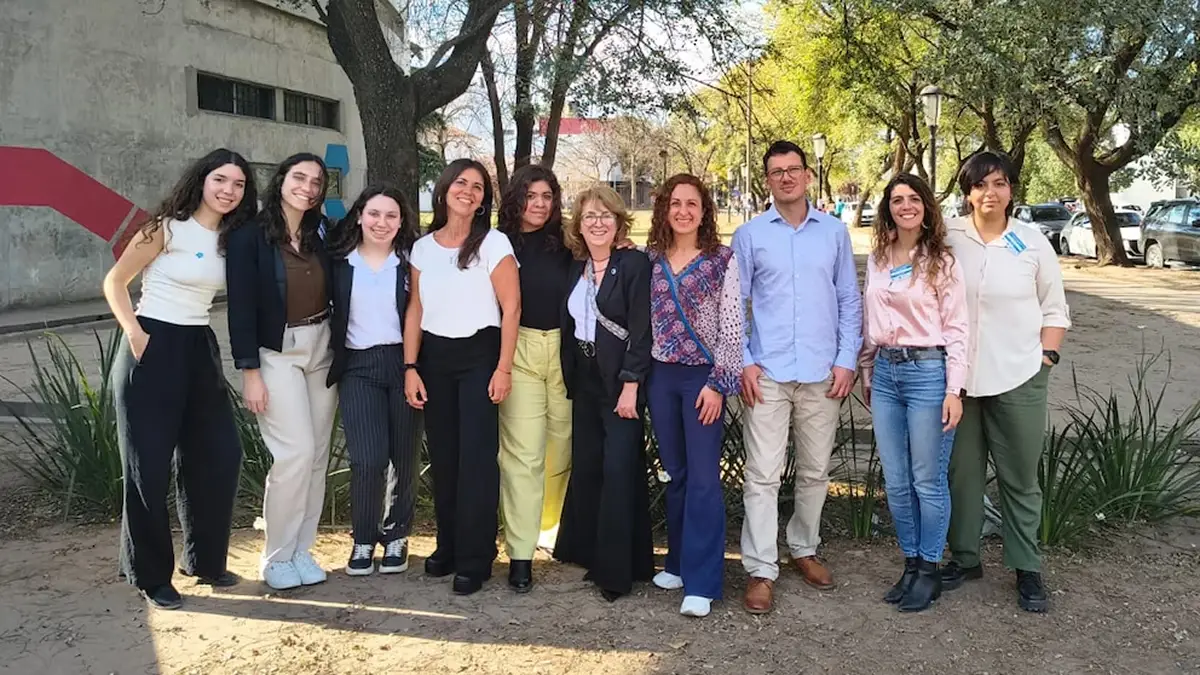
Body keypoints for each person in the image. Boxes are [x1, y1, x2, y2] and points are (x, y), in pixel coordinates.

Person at [103, 149, 257, 609]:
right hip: (152, 345)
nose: (229, 190)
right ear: (202, 180)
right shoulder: (166, 227)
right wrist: (134, 332)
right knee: (146, 467)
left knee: (219, 455)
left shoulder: (233, 238)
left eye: (239, 184)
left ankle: (205, 561)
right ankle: (151, 576)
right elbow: (115, 281)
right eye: (221, 180)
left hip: (198, 346)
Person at [732, 140, 862, 615]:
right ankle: (761, 569)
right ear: (766, 180)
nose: (785, 177)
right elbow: (735, 305)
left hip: (822, 373)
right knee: (762, 475)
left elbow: (849, 298)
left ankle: (804, 547)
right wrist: (744, 360)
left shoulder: (833, 233)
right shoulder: (749, 236)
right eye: (776, 172)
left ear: (807, 175)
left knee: (813, 471)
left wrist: (847, 359)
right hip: (766, 373)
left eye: (793, 169)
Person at [943, 151, 1070, 613]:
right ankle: (965, 557)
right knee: (962, 474)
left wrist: (1046, 357)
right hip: (959, 381)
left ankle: (1027, 567)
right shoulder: (950, 236)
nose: (989, 193)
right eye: (980, 185)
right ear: (967, 193)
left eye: (999, 183)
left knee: (1019, 478)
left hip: (1018, 376)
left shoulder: (1033, 242)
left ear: (1011, 189)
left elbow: (1055, 309)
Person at [404, 159, 520, 596]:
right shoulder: (422, 248)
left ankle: (476, 556)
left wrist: (503, 367)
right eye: (461, 183)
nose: (468, 191)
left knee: (476, 460)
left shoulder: (493, 243)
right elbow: (415, 309)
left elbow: (512, 308)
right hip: (434, 358)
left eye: (477, 187)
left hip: (479, 356)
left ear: (483, 199)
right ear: (444, 188)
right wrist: (410, 367)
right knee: (447, 458)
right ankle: (448, 545)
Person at [226, 152, 337, 591]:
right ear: (281, 179)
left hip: (322, 344)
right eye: (300, 177)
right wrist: (249, 371)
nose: (308, 187)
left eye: (316, 182)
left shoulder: (320, 232)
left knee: (317, 454)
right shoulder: (249, 236)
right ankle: (275, 556)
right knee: (294, 453)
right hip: (277, 351)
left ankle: (300, 550)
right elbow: (241, 308)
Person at [859, 174, 969, 613]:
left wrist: (954, 389)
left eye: (913, 199)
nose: (905, 206)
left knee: (928, 479)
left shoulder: (941, 260)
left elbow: (959, 328)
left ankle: (929, 568)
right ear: (888, 207)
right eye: (897, 199)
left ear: (926, 207)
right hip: (886, 373)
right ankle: (909, 563)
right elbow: (872, 318)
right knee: (897, 482)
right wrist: (867, 370)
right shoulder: (880, 257)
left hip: (928, 373)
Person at [645, 174, 743, 618]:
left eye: (693, 204)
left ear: (705, 211)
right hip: (661, 377)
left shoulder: (723, 260)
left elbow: (733, 327)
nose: (684, 211)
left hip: (703, 379)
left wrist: (718, 384)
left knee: (704, 478)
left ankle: (703, 581)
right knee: (675, 473)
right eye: (676, 203)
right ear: (665, 208)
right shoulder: (650, 259)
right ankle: (679, 563)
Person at [553, 185, 654, 602]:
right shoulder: (574, 267)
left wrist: (632, 385)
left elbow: (641, 327)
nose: (597, 222)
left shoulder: (632, 264)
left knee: (619, 470)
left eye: (606, 216)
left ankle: (618, 572)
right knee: (591, 466)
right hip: (586, 379)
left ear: (619, 223)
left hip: (620, 383)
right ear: (579, 224)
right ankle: (591, 553)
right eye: (589, 216)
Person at [326, 185, 422, 577]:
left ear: (402, 222)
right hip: (358, 367)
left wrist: (414, 366)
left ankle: (397, 534)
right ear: (360, 216)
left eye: (391, 216)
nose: (382, 223)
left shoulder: (411, 261)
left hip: (405, 364)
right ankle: (364, 537)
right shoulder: (339, 262)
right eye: (374, 214)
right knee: (367, 459)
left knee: (405, 457)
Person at [494, 165, 573, 592]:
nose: (539, 203)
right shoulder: (498, 243)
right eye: (531, 195)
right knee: (523, 455)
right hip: (519, 349)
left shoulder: (567, 242)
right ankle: (520, 552)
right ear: (516, 198)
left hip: (563, 350)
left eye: (547, 196)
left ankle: (546, 525)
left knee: (560, 448)